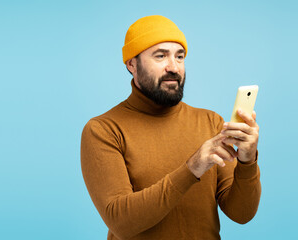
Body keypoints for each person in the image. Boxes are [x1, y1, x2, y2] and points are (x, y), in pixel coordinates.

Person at [81, 15, 261, 240]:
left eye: (180, 56)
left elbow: (241, 214)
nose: (174, 67)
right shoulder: (103, 130)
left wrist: (247, 161)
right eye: (160, 56)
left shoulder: (211, 122)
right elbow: (121, 222)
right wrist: (192, 168)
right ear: (131, 64)